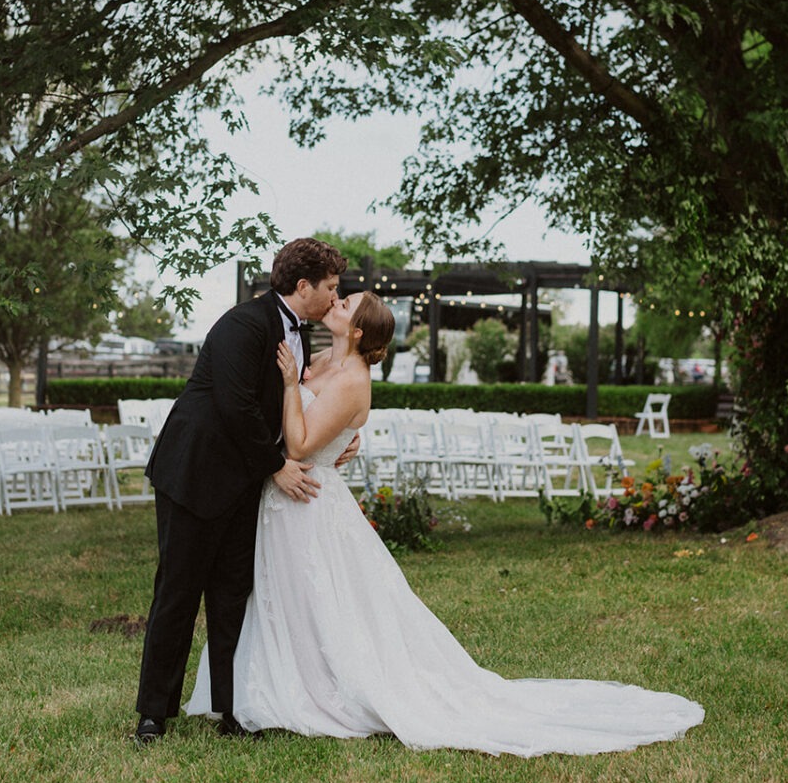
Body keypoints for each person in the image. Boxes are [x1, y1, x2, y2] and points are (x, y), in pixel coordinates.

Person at [187, 291, 705, 756]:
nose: (337, 303)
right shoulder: (315, 358)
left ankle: (322, 693)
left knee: (325, 601)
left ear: (360, 330)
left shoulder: (353, 379)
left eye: (347, 304)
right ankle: (273, 686)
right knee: (284, 600)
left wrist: (296, 398)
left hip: (311, 498)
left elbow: (300, 444)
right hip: (281, 499)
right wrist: (319, 419)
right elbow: (294, 421)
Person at [133, 237, 348, 745]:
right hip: (196, 474)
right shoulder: (243, 324)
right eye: (332, 288)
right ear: (303, 286)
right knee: (178, 592)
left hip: (242, 483)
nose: (336, 297)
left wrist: (338, 439)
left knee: (234, 598)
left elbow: (297, 406)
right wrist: (276, 465)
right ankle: (153, 713)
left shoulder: (297, 336)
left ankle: (234, 710)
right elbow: (235, 405)